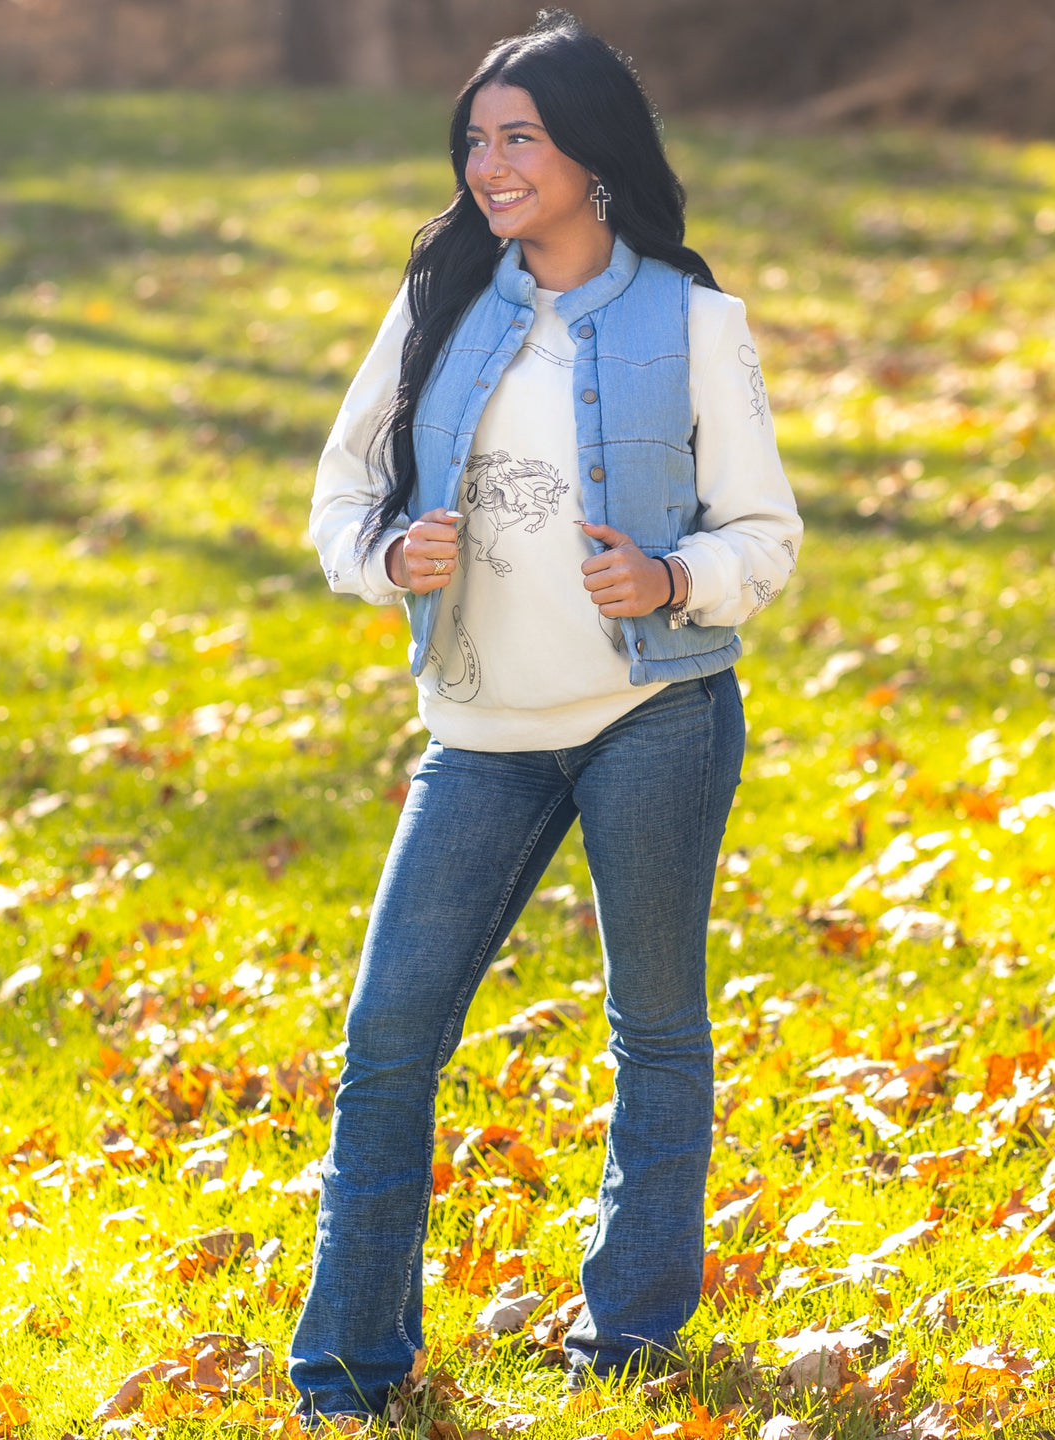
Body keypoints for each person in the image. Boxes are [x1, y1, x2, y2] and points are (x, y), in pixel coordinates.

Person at [289, 8, 802, 1427]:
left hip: (656, 712)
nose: (491, 161)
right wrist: (387, 556)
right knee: (387, 1038)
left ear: (592, 153)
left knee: (654, 1030)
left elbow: (765, 532)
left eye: (520, 135)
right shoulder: (437, 307)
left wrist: (676, 574)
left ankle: (630, 1341)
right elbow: (343, 495)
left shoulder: (696, 322)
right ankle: (347, 1371)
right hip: (479, 731)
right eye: (476, 137)